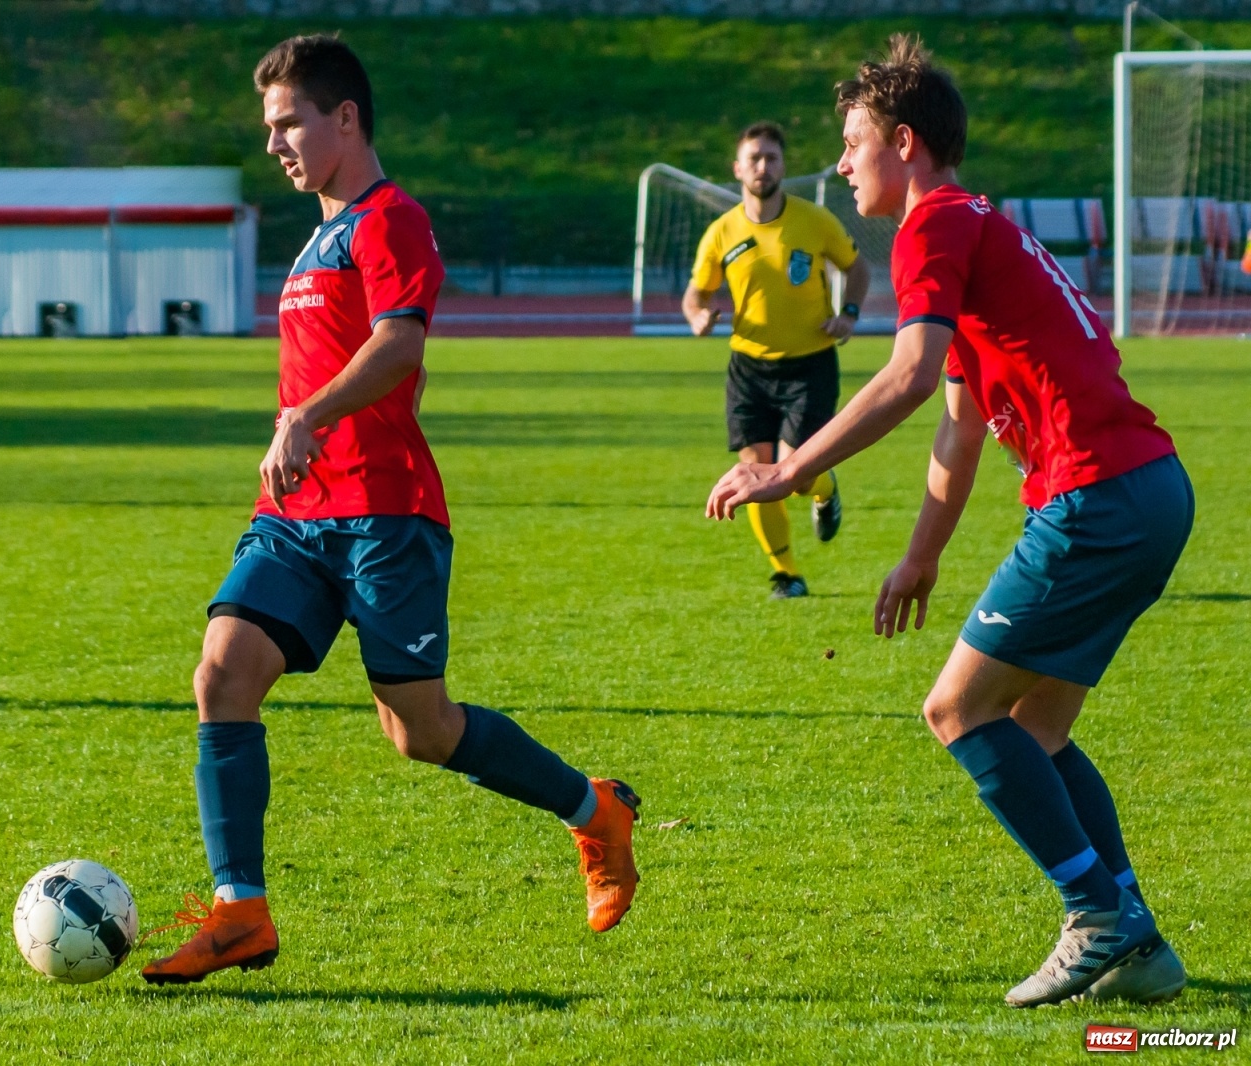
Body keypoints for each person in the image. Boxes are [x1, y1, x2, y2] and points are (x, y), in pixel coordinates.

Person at [141, 35, 641, 986]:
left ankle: (594, 810)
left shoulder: (389, 219)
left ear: (346, 119)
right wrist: (297, 439)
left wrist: (306, 416)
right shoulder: (319, 231)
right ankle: (239, 910)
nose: (276, 143)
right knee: (222, 676)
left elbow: (399, 346)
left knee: (421, 731)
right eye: (269, 128)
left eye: (289, 123)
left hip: (385, 515)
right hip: (295, 517)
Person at [707, 36, 1192, 1007]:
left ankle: (1094, 915)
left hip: (1095, 494)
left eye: (850, 144)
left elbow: (906, 374)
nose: (839, 165)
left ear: (902, 141)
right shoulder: (978, 228)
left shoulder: (931, 226)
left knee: (954, 710)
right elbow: (960, 420)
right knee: (1035, 725)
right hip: (1150, 490)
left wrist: (788, 468)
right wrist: (919, 556)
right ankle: (1136, 941)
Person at [683, 122, 872, 599]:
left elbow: (857, 268)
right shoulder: (721, 232)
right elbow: (695, 295)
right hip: (748, 368)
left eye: (771, 158)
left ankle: (826, 493)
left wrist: (848, 313)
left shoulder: (814, 221)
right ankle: (786, 574)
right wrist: (699, 317)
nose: (763, 166)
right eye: (754, 158)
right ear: (737, 168)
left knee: (794, 474)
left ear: (783, 166)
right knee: (754, 469)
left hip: (809, 364)